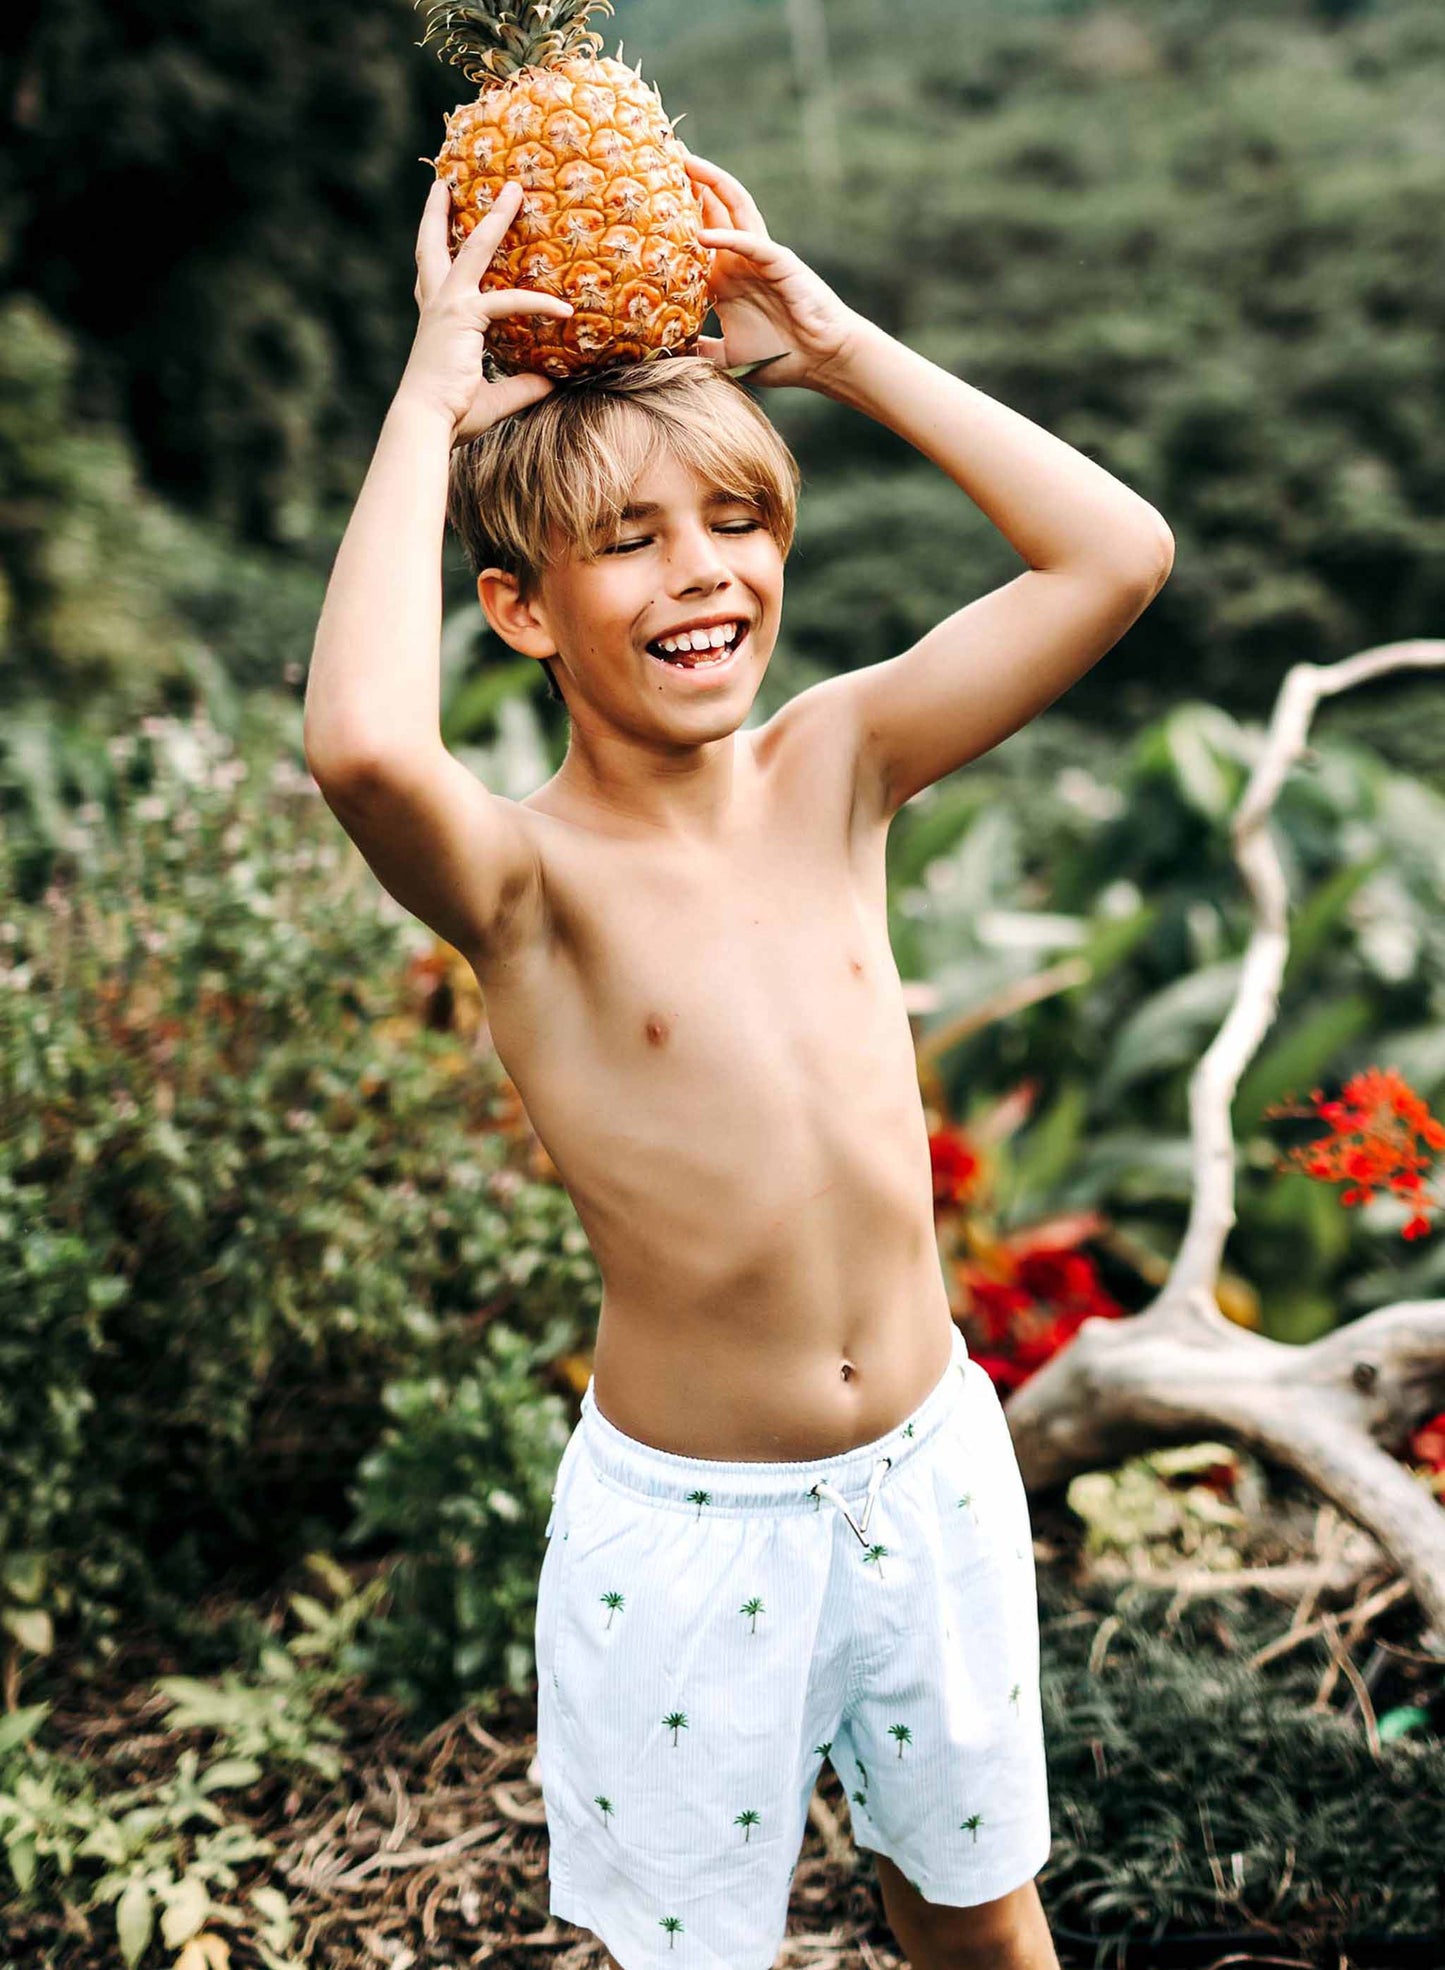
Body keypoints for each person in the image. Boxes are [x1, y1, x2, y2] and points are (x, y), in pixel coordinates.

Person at [304, 150, 1173, 1970]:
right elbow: (368, 749)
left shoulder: (839, 763)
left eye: (736, 521)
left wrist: (842, 350)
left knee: (978, 1915)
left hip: (930, 1468)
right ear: (520, 610)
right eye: (628, 541)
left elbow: (1115, 553)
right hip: (692, 1530)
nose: (702, 573)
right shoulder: (525, 884)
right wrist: (431, 400)